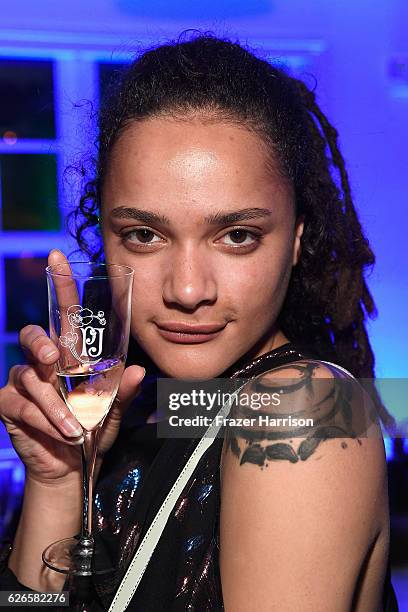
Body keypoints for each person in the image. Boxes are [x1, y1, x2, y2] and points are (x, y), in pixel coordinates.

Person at [0, 31, 400, 611]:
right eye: (144, 234)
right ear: (104, 236)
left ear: (296, 240)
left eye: (237, 236)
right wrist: (59, 480)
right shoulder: (148, 407)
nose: (188, 290)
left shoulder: (300, 413)